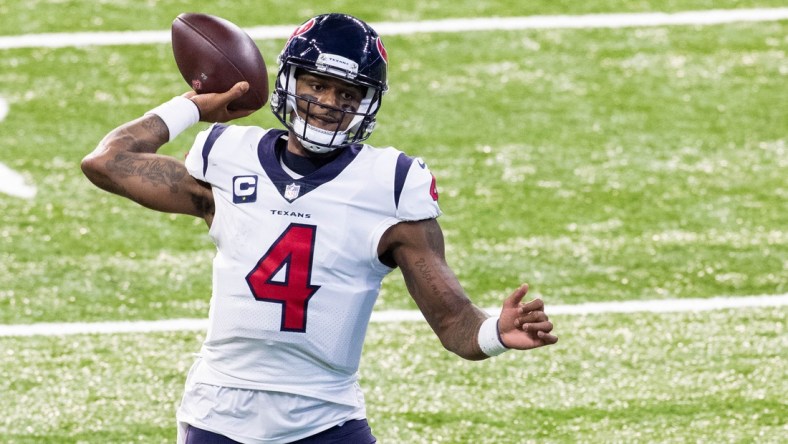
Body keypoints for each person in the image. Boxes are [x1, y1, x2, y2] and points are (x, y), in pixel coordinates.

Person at [81, 13, 557, 444]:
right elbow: (107, 162)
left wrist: (496, 332)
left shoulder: (390, 185)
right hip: (219, 413)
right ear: (289, 83)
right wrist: (191, 107)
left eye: (347, 93)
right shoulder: (228, 158)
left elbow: (453, 320)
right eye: (316, 84)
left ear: (366, 105)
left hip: (325, 420)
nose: (328, 103)